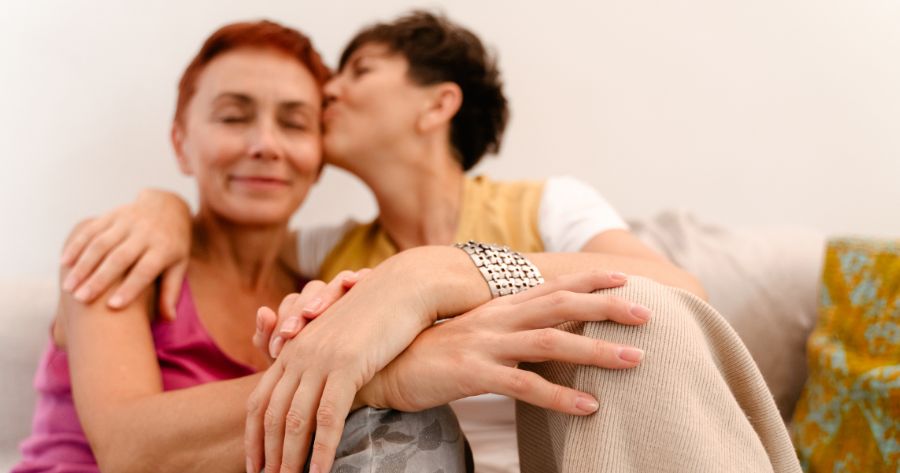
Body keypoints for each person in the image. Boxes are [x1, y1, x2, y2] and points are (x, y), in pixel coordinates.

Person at [57, 12, 801, 473]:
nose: (328, 96)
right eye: (234, 117)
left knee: (635, 311)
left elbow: (672, 291)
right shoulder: (314, 257)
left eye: (354, 74)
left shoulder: (546, 204)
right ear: (181, 139)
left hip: (587, 446)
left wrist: (436, 273)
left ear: (438, 104)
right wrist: (159, 207)